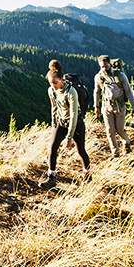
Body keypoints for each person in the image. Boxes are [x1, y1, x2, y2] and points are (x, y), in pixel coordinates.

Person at [39, 60, 90, 188]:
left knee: (81, 150)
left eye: (55, 83)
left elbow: (74, 115)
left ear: (62, 79)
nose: (53, 86)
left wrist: (69, 137)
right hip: (61, 122)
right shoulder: (52, 90)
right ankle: (51, 177)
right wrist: (53, 125)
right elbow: (54, 108)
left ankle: (87, 173)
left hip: (76, 123)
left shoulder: (71, 92)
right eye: (51, 83)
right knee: (52, 147)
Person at [93, 55, 134, 156]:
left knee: (120, 130)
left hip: (120, 106)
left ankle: (126, 142)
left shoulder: (120, 75)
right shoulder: (98, 77)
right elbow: (97, 92)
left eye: (106, 66)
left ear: (109, 64)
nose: (104, 68)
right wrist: (96, 107)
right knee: (109, 130)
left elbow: (128, 91)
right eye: (102, 67)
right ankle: (115, 152)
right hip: (106, 106)